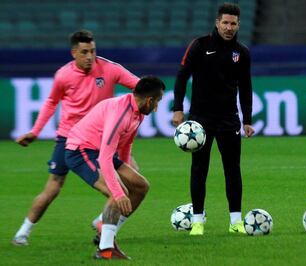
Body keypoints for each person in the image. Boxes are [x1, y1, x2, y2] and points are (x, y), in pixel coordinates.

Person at [12, 29, 140, 246]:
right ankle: (23, 232)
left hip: (101, 138)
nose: (90, 56)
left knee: (134, 177)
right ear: (74, 53)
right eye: (84, 52)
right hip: (70, 138)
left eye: (93, 51)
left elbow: (140, 85)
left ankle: (104, 225)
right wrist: (35, 131)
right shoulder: (64, 75)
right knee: (53, 187)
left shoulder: (109, 68)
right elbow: (52, 102)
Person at [172, 3, 255, 236]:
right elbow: (182, 76)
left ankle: (236, 221)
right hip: (200, 120)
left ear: (239, 25)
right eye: (225, 23)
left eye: (233, 23)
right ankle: (197, 221)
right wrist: (177, 108)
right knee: (199, 169)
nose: (229, 27)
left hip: (229, 119)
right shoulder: (200, 45)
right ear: (217, 23)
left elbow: (246, 87)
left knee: (233, 169)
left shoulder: (243, 52)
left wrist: (247, 119)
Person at [65, 76, 165, 260]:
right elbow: (104, 158)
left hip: (100, 151)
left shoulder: (139, 113)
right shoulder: (120, 113)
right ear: (149, 100)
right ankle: (105, 250)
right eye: (157, 102)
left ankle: (106, 233)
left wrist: (128, 170)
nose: (157, 107)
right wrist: (119, 193)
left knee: (141, 186)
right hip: (81, 150)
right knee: (117, 194)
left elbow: (126, 144)